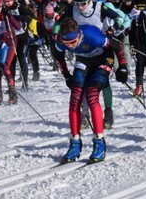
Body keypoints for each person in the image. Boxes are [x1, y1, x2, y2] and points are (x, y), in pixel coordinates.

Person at [53, 17, 128, 164]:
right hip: (84, 60)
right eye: (68, 44)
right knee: (75, 98)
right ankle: (75, 142)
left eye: (73, 42)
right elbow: (59, 57)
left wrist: (123, 66)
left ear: (79, 35)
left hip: (103, 59)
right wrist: (67, 76)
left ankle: (99, 142)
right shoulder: (61, 42)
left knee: (92, 95)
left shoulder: (94, 37)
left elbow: (117, 47)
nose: (71, 46)